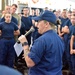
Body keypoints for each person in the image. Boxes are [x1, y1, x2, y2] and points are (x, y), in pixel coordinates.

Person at [18, 10, 64, 75]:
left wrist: (25, 44)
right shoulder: (59, 39)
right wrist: (30, 54)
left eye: (39, 22)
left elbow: (30, 63)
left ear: (46, 24)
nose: (37, 25)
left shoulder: (42, 40)